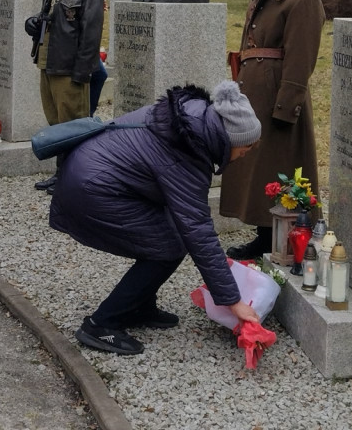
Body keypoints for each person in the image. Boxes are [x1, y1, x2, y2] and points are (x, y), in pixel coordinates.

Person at [50, 81, 262, 355]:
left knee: (169, 236)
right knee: (167, 248)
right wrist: (233, 301)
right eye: (244, 150)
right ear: (229, 138)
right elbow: (198, 231)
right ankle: (102, 324)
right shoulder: (188, 151)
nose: (244, 156)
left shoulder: (188, 121)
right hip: (92, 190)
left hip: (93, 175)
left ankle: (138, 306)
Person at [220, 0, 325, 260]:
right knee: (258, 169)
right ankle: (263, 235)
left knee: (278, 168)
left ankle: (277, 239)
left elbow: (301, 60)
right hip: (256, 93)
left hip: (276, 96)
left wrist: (285, 107)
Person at [29, 0, 104, 193]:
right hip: (48, 63)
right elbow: (51, 18)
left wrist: (81, 75)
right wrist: (34, 25)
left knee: (73, 127)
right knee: (57, 126)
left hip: (70, 70)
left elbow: (91, 38)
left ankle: (75, 179)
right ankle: (61, 174)